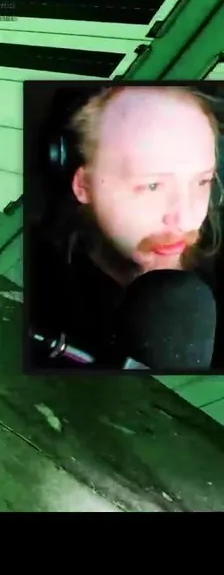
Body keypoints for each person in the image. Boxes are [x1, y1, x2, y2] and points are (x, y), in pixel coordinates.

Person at [30, 85, 221, 369]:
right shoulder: (39, 296)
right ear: (84, 185)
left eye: (202, 182)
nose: (185, 219)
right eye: (152, 186)